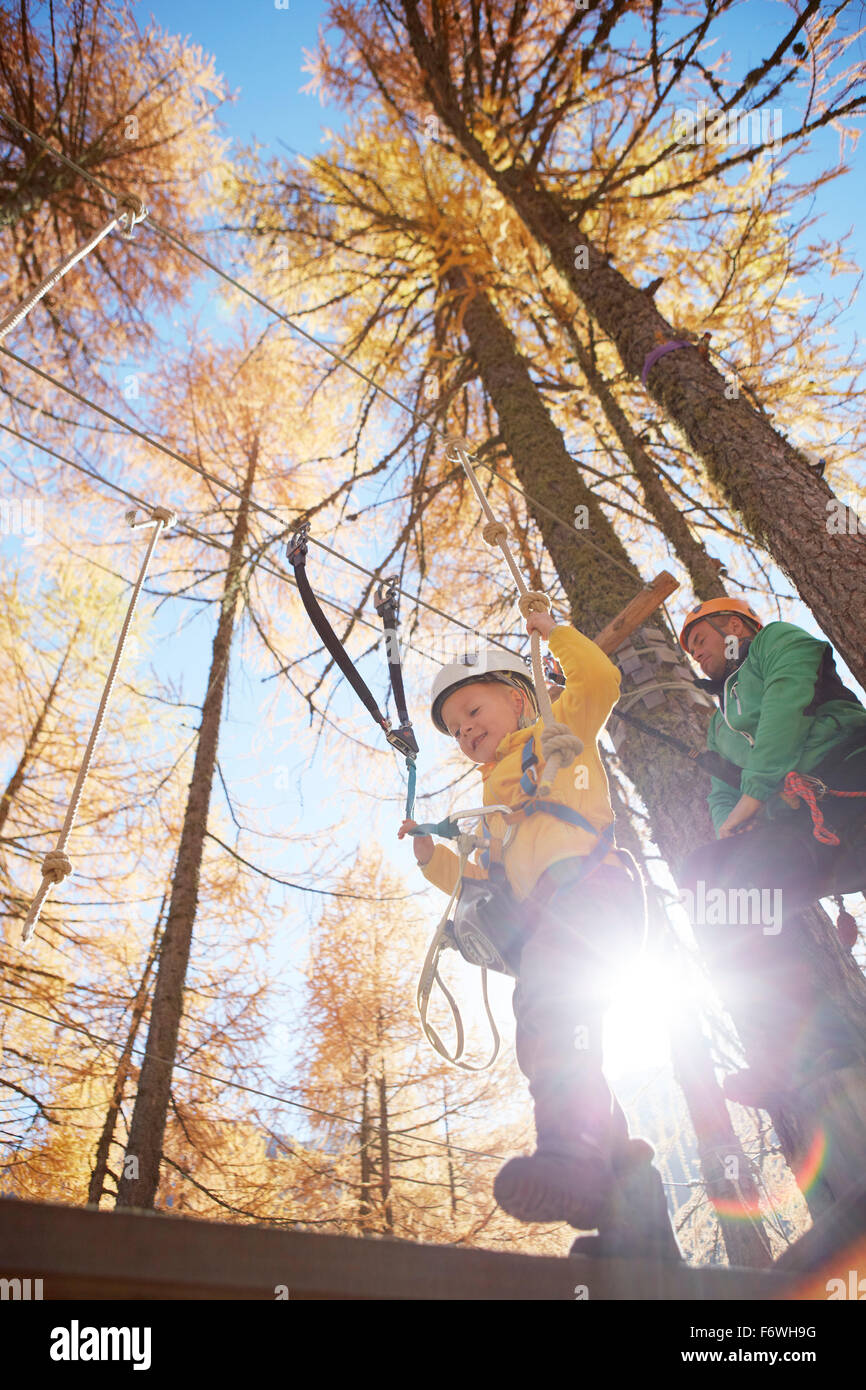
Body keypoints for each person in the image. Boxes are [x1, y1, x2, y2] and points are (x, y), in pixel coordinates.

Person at [398, 610, 672, 1246]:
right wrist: (431, 858)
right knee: (555, 1028)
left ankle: (572, 1158)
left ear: (519, 698)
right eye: (457, 730)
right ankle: (621, 1197)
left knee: (548, 1001)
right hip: (552, 917)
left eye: (472, 710)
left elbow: (600, 680)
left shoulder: (558, 731)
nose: (466, 731)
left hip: (592, 894)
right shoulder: (494, 810)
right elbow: (483, 885)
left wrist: (554, 631)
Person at [678, 598, 866, 1105]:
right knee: (708, 878)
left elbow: (787, 699)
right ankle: (807, 1051)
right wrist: (732, 826)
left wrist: (755, 793)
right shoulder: (719, 728)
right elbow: (723, 799)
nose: (696, 655)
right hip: (805, 832)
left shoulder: (777, 642)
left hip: (853, 778)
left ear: (735, 626)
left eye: (700, 640)